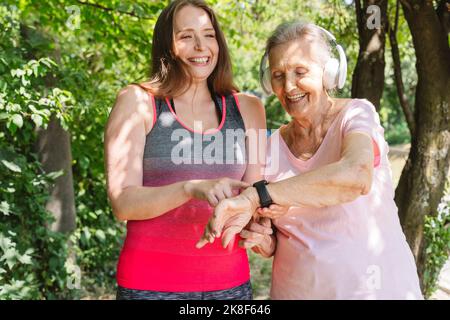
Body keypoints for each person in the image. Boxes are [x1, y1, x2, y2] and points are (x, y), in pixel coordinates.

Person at [197, 21, 424, 300]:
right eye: (278, 75)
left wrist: (260, 195)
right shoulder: (269, 148)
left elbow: (355, 177)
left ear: (328, 73)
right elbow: (271, 241)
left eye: (300, 72)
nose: (289, 85)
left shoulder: (356, 116)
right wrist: (262, 239)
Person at [104, 0, 266, 300]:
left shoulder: (251, 109)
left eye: (208, 34)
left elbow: (255, 194)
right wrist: (191, 188)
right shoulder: (137, 102)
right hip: (149, 285)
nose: (201, 46)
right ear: (167, 44)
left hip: (230, 286)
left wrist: (262, 222)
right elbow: (122, 203)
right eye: (186, 36)